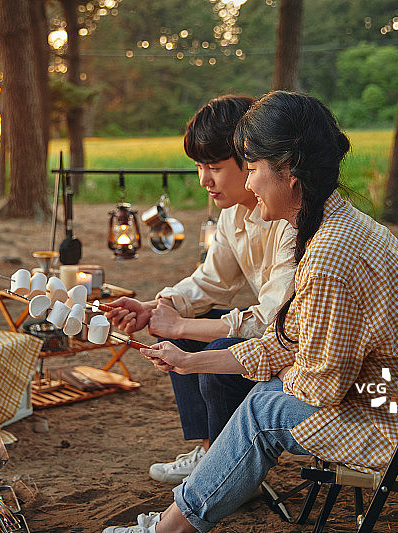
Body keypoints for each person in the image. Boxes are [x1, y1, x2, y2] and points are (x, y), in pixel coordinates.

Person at [103, 91, 398, 533]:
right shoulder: (333, 223)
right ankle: (182, 513)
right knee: (268, 396)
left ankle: (167, 529)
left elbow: (319, 384)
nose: (252, 180)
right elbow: (291, 341)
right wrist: (190, 360)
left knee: (265, 410)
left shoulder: (328, 254)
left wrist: (267, 372)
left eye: (254, 167)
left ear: (290, 173)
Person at [105, 95, 297, 484]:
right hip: (272, 334)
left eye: (214, 167)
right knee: (182, 323)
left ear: (251, 159)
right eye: (198, 167)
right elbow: (212, 281)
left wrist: (179, 327)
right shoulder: (233, 215)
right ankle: (213, 453)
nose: (204, 180)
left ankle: (232, 472)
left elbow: (272, 325)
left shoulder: (291, 219)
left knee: (212, 347)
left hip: (292, 344)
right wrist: (155, 308)